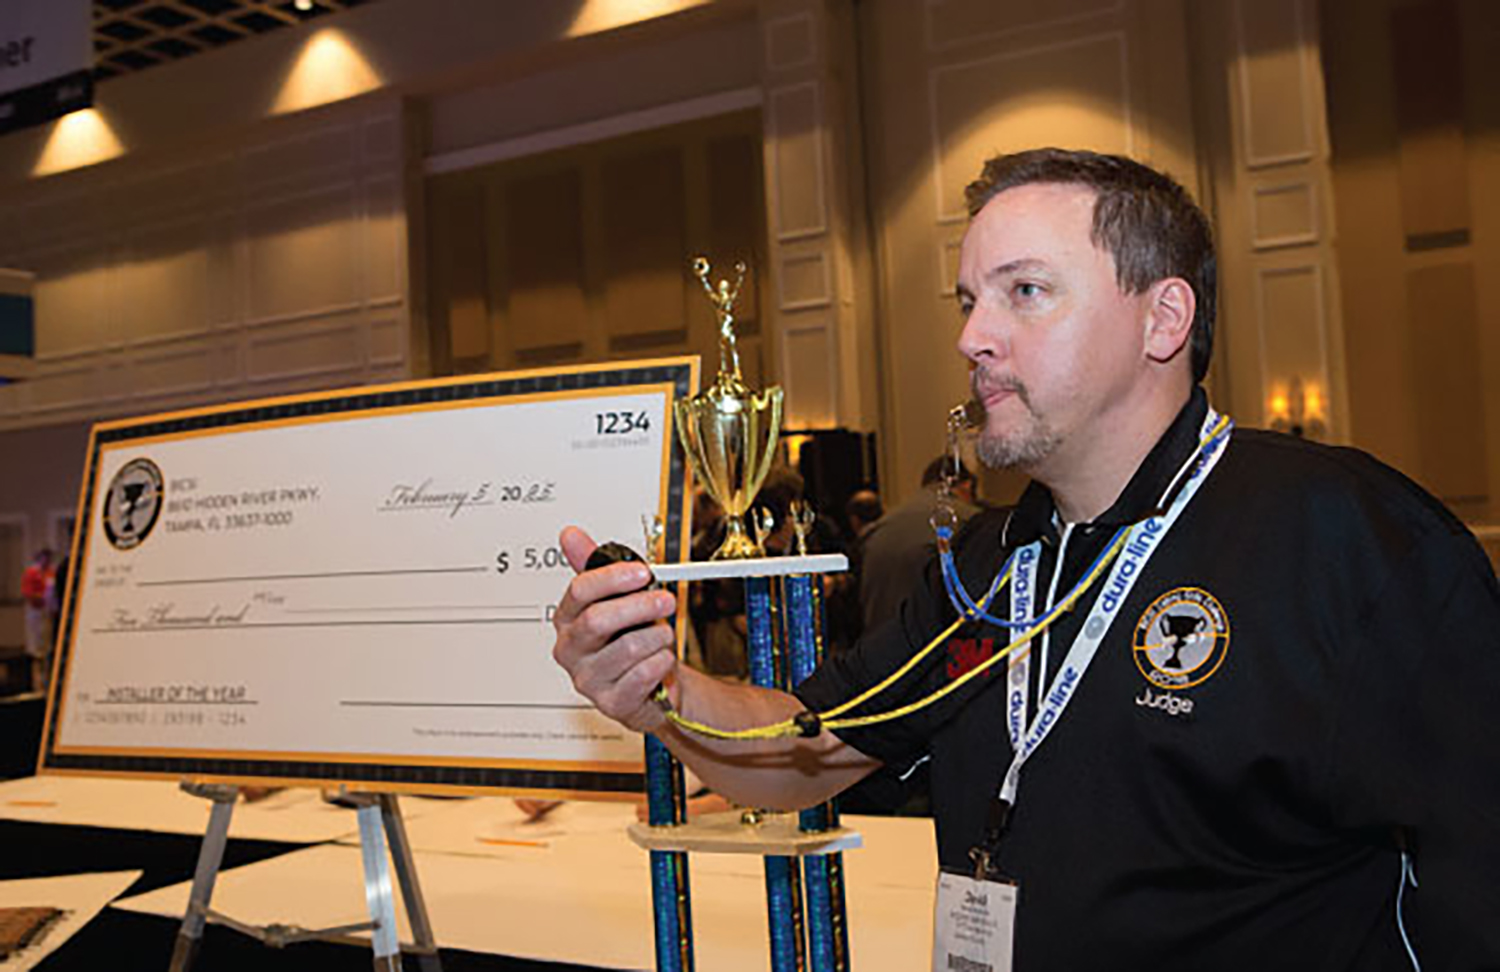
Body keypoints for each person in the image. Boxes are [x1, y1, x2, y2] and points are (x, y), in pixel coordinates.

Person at [548, 148, 1500, 969]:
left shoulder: (1350, 540)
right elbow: (801, 752)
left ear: (1163, 319)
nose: (972, 337)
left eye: (1025, 292)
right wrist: (657, 685)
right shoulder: (993, 566)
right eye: (968, 301)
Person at [858, 456, 980, 632]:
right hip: (931, 642)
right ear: (967, 485)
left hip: (878, 641)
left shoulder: (884, 523)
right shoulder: (967, 519)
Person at [20, 548, 55, 693]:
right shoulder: (31, 573)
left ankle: (47, 682)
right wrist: (41, 598)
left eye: (49, 558)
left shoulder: (51, 572)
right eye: (44, 558)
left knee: (47, 646)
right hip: (36, 612)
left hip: (49, 612)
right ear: (39, 558)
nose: (46, 561)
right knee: (37, 649)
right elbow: (28, 594)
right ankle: (37, 684)